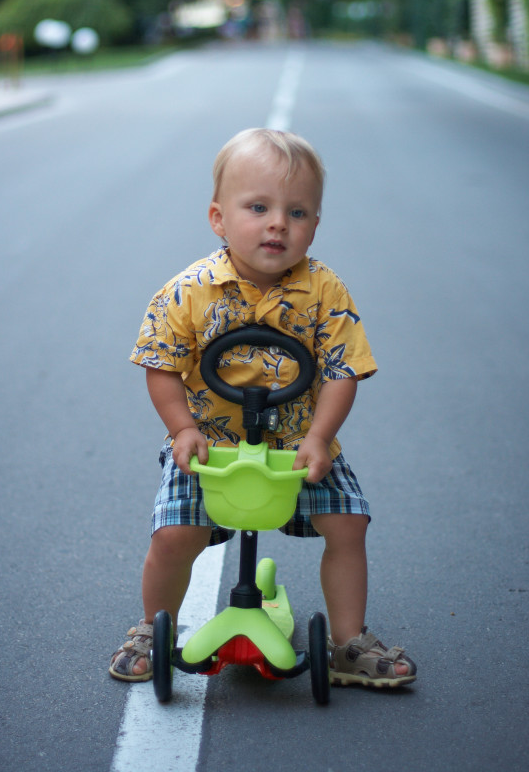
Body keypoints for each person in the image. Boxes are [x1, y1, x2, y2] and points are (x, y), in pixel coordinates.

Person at [110, 128, 416, 689]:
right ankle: (154, 628)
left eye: (297, 212)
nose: (278, 223)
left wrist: (320, 436)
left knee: (348, 523)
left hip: (300, 444)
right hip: (209, 447)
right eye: (259, 207)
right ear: (219, 218)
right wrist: (181, 428)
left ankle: (348, 641)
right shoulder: (188, 292)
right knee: (174, 535)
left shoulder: (326, 291)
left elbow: (343, 370)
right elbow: (161, 365)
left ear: (315, 225)